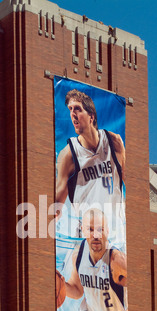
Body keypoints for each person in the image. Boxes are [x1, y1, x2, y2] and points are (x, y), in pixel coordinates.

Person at [56, 89, 126, 236]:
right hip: (85, 233)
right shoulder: (68, 154)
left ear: (91, 117)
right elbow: (56, 206)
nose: (73, 114)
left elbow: (127, 184)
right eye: (70, 109)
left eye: (77, 109)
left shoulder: (114, 143)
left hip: (114, 231)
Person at [58, 209, 128, 311]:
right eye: (90, 229)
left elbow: (141, 285)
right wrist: (60, 286)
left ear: (107, 230)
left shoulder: (116, 260)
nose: (96, 235)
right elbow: (78, 290)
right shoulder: (78, 254)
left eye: (100, 229)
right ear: (83, 231)